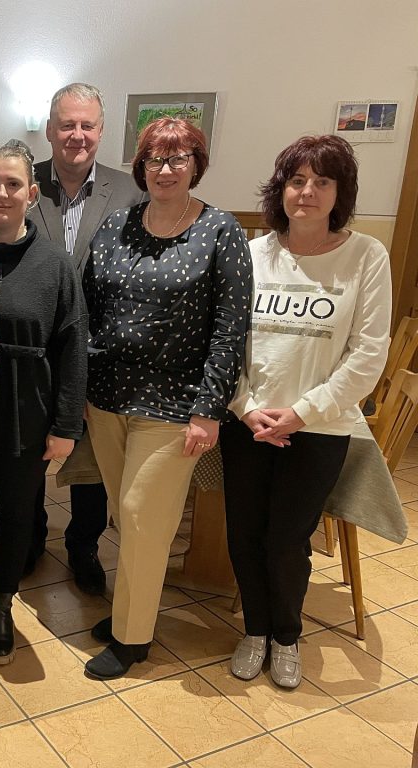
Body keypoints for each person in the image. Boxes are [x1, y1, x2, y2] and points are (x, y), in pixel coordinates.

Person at [82, 118, 252, 679]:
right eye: (156, 159)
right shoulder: (117, 225)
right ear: (142, 166)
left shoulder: (220, 230)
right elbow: (89, 304)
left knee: (141, 516)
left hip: (175, 406)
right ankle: (134, 609)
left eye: (178, 158)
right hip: (107, 398)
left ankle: (133, 639)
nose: (166, 169)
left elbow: (230, 328)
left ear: (196, 165)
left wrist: (209, 409)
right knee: (129, 519)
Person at [223, 135, 390, 689]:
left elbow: (367, 355)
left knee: (287, 540)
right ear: (281, 188)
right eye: (297, 180)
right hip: (247, 425)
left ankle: (287, 636)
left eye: (322, 181)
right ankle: (254, 629)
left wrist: (299, 412)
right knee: (244, 535)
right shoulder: (252, 255)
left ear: (340, 192)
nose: (307, 192)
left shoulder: (366, 256)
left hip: (317, 428)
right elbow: (225, 344)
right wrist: (246, 409)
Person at [0, 139, 86, 667]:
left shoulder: (55, 264)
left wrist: (67, 423)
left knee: (18, 516)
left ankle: (1, 606)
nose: (1, 193)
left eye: (12, 184)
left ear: (31, 193)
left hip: (29, 413)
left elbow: (72, 345)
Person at [28, 83, 146, 594]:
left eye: (88, 125)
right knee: (27, 452)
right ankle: (29, 538)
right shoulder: (20, 183)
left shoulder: (130, 193)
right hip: (31, 351)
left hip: (100, 350)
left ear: (101, 131)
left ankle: (83, 545)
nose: (77, 135)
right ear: (50, 129)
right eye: (67, 124)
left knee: (92, 460)